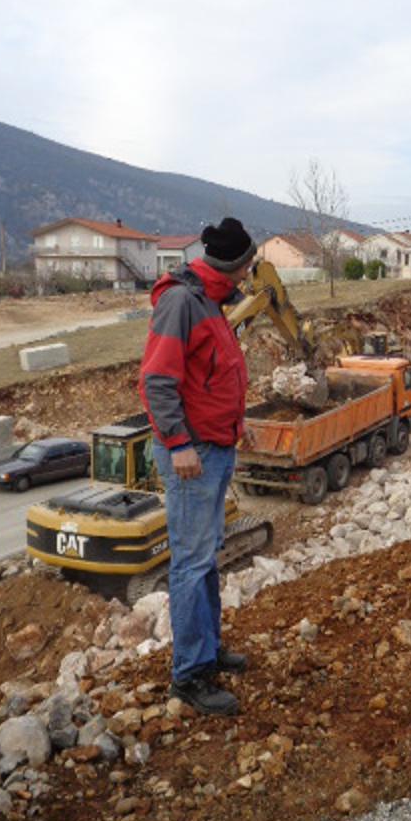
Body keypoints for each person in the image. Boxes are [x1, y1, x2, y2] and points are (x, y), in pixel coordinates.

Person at [139, 217, 256, 716]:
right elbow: (156, 381)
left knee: (206, 557)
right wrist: (179, 443)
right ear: (235, 264)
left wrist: (236, 423)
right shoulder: (182, 303)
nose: (250, 273)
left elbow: (213, 376)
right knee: (190, 563)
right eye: (248, 264)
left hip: (215, 445)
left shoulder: (210, 300)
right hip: (193, 455)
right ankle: (189, 675)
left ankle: (208, 649)